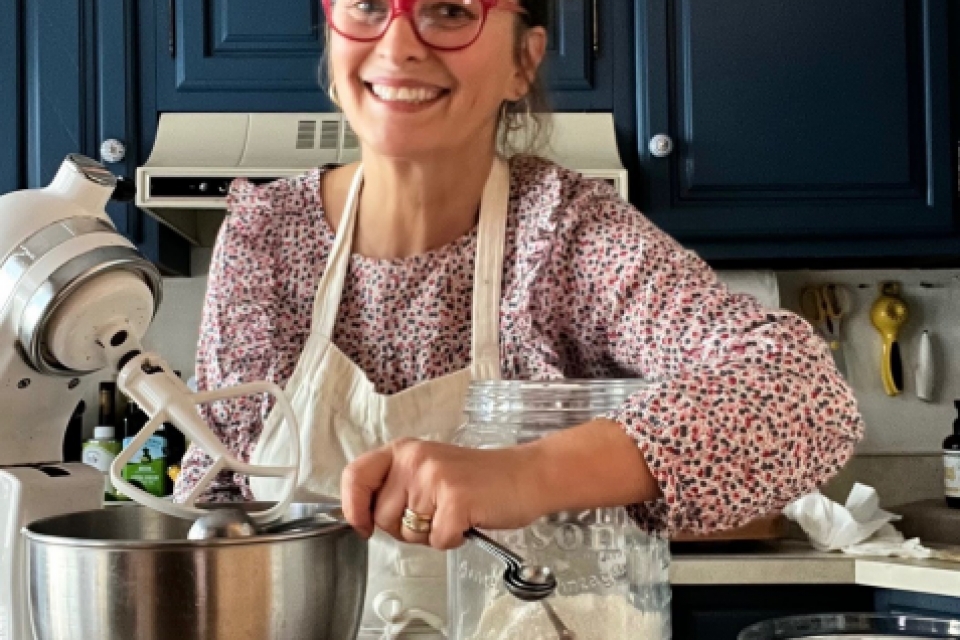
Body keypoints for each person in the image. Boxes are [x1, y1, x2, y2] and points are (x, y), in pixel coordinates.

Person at [175, 0, 864, 635]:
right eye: (368, 7)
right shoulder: (262, 238)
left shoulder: (566, 235)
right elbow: (216, 505)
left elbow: (804, 394)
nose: (399, 42)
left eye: (449, 11)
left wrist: (520, 475)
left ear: (523, 60)